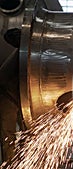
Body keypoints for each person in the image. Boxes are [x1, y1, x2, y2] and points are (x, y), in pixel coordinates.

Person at [0, 28, 21, 163]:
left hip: (16, 97)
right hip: (6, 96)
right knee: (9, 136)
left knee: (28, 131)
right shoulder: (21, 54)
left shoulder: (25, 53)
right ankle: (11, 164)